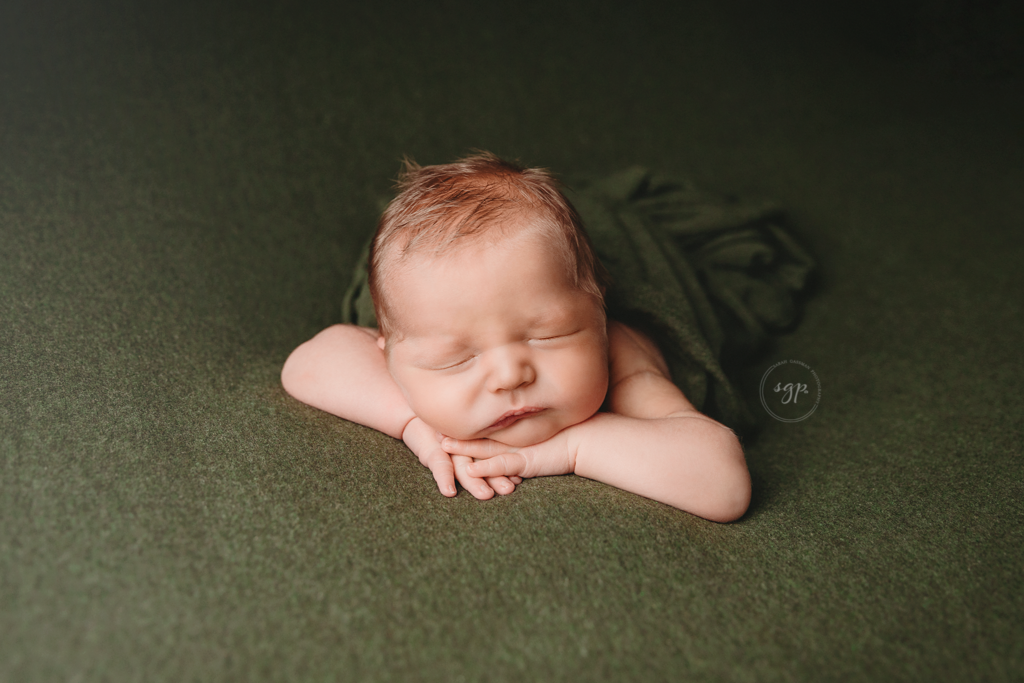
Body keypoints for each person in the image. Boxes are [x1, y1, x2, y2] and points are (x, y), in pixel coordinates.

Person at [281, 152, 751, 522]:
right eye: (454, 360)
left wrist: (569, 449)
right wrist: (413, 424)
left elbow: (723, 483)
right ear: (389, 360)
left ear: (598, 318)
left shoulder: (620, 353)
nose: (509, 375)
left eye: (549, 336)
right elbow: (308, 361)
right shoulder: (416, 335)